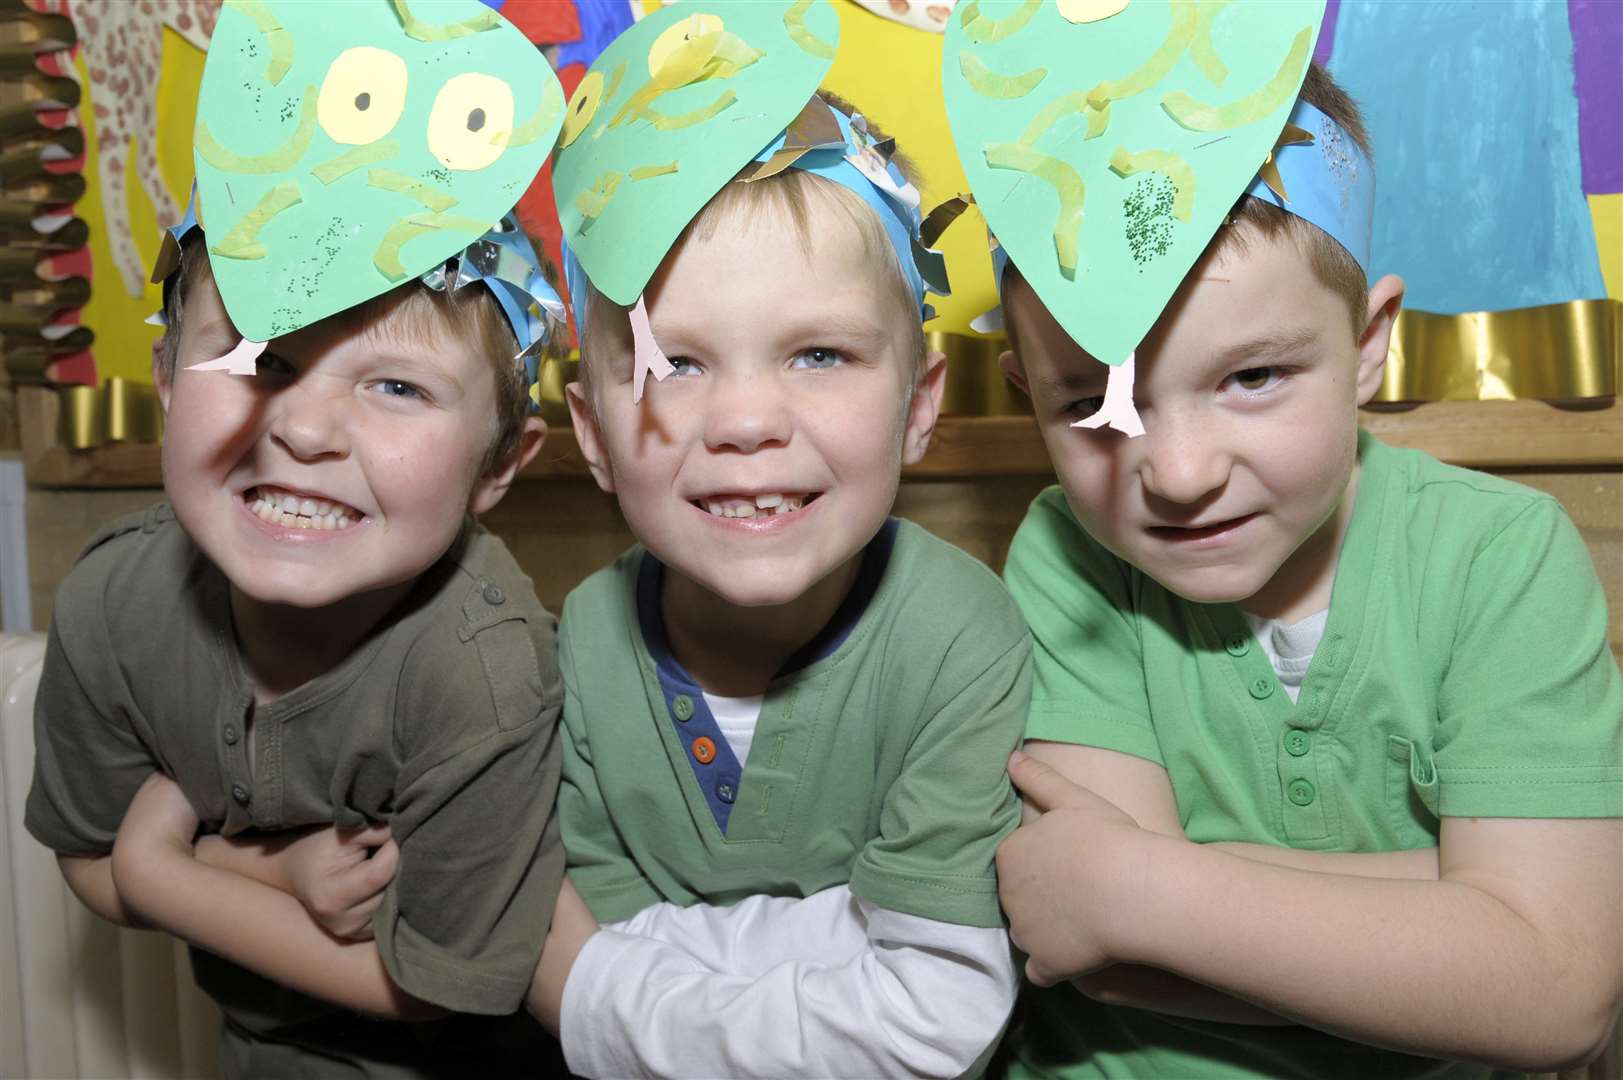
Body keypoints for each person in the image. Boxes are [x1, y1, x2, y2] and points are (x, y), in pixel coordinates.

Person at [942, 8, 1623, 1075]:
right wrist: (1449, 907)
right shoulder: (1067, 551)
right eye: (1092, 405)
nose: (1176, 473)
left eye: (1252, 377)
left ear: (1368, 346)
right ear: (1029, 388)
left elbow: (1556, 989)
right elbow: (1090, 952)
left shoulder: (1501, 556)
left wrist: (1148, 887)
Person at [25, 2, 572, 1073]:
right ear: (167, 385)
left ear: (498, 468)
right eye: (261, 360)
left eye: (398, 385)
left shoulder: (483, 670)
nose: (307, 426)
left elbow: (431, 988)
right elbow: (84, 857)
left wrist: (166, 870)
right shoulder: (113, 603)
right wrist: (272, 877)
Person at [528, 6, 1030, 1075]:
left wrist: (610, 992)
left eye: (817, 354)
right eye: (677, 363)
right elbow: (582, 924)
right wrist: (844, 942)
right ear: (595, 436)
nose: (747, 421)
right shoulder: (580, 641)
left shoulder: (960, 641)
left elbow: (934, 1015)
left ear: (919, 402)